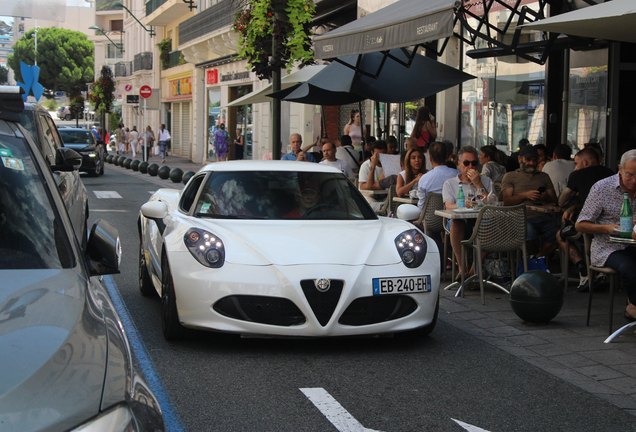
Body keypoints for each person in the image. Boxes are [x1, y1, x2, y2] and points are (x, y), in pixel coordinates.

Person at [576, 150, 636, 321]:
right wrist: (607, 228)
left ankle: (632, 305)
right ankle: (633, 306)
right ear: (620, 169)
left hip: (633, 242)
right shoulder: (602, 188)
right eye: (630, 175)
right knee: (629, 268)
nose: (634, 181)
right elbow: (580, 224)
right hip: (608, 247)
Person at [557, 147, 614, 291]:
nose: (575, 168)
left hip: (590, 228)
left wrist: (572, 203)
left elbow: (562, 201)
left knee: (560, 235)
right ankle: (601, 272)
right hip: (612, 228)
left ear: (585, 162)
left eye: (576, 164)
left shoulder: (578, 175)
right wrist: (577, 205)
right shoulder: (611, 174)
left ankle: (583, 271)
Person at [442, 146, 492, 278]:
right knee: (456, 223)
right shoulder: (450, 183)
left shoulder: (486, 181)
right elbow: (448, 205)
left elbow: (491, 204)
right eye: (466, 163)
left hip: (482, 222)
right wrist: (463, 204)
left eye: (474, 163)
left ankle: (474, 271)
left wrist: (478, 184)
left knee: (491, 226)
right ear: (459, 164)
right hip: (459, 222)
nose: (470, 167)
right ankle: (462, 268)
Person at [501, 145, 558, 258]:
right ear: (520, 159)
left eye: (534, 160)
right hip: (521, 217)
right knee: (529, 234)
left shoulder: (544, 176)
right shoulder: (510, 176)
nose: (531, 163)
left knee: (559, 234)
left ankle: (537, 258)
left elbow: (554, 199)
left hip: (543, 216)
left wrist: (544, 197)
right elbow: (507, 202)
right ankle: (535, 259)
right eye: (528, 160)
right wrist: (525, 195)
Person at [417, 141, 459, 209]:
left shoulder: (424, 179)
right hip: (452, 216)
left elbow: (421, 205)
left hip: (429, 218)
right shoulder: (458, 175)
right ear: (446, 156)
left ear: (430, 158)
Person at [359, 140, 388, 212]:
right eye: (378, 155)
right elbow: (362, 186)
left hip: (386, 196)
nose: (381, 157)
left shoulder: (389, 165)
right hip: (369, 196)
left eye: (383, 154)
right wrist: (373, 165)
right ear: (372, 153)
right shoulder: (366, 165)